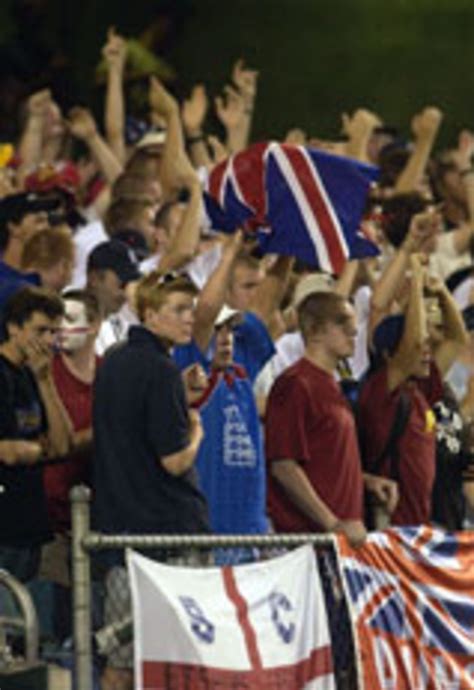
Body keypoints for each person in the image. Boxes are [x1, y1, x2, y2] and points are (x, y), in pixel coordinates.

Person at [92, 271, 208, 690]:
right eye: (178, 310)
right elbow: (174, 462)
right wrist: (196, 429)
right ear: (150, 314)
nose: (188, 319)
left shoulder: (115, 361)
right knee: (177, 661)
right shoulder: (159, 370)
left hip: (120, 534)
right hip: (168, 537)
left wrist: (177, 394)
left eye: (190, 309)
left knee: (120, 664)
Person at [265, 291, 398, 546]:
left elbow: (324, 459)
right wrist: (332, 523)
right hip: (308, 543)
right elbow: (284, 466)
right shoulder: (295, 384)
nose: (353, 331)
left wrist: (366, 481)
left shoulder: (331, 385)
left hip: (337, 541)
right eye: (341, 322)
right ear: (314, 330)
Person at [0, 286, 72, 581]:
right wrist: (37, 450)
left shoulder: (33, 374)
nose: (48, 341)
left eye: (53, 333)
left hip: (29, 525)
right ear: (14, 328)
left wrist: (45, 381)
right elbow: (7, 451)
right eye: (40, 330)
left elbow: (62, 444)